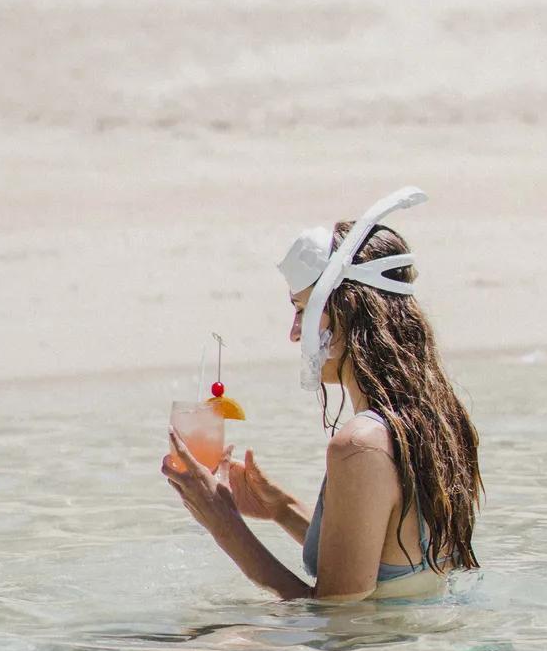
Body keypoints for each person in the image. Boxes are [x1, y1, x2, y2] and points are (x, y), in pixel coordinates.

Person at [162, 187, 482, 602]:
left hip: (386, 645)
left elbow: (336, 620)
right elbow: (383, 564)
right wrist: (282, 509)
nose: (294, 333)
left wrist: (223, 523)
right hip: (422, 639)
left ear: (345, 309)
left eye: (301, 310)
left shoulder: (360, 445)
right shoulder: (437, 421)